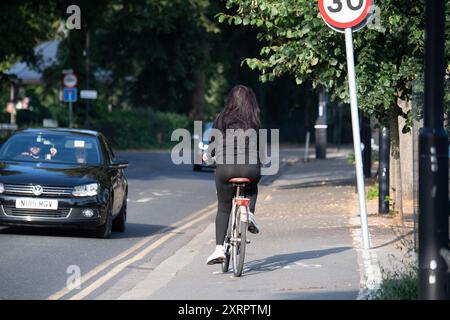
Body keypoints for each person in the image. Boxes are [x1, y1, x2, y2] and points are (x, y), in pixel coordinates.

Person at [205, 85, 262, 265]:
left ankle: (219, 249)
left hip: (226, 169)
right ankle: (250, 213)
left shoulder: (221, 118)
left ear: (230, 101)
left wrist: (208, 156)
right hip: (250, 169)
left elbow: (212, 146)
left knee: (223, 207)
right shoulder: (254, 120)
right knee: (252, 186)